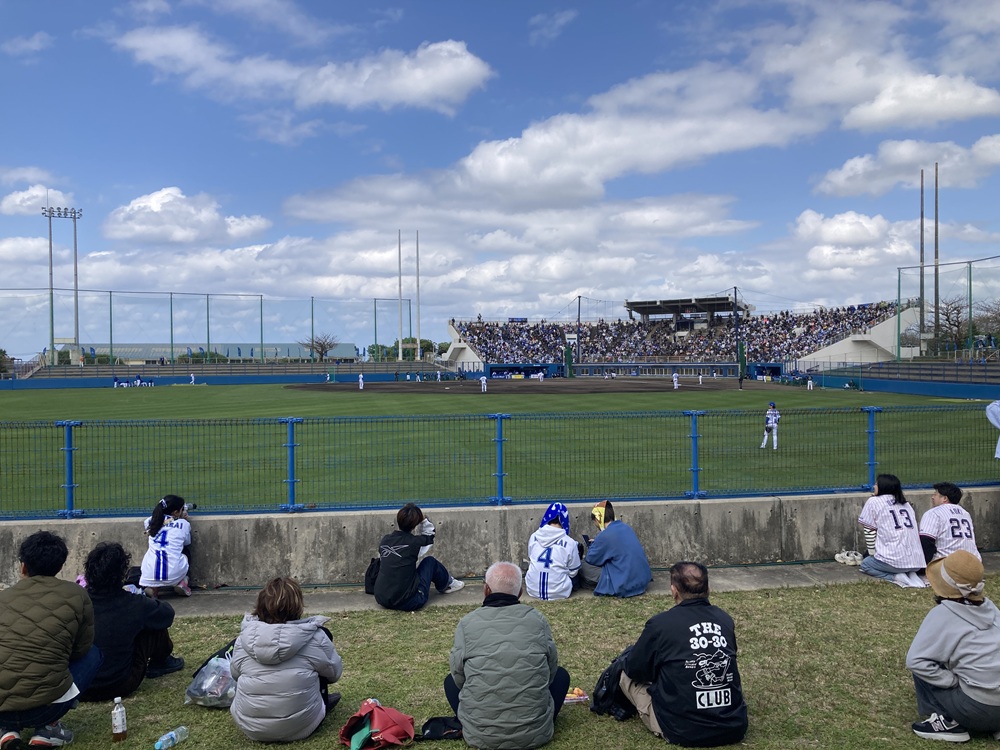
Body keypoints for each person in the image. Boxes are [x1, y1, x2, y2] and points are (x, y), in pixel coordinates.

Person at [620, 561, 748, 747]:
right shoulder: (724, 619)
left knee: (624, 673)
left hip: (682, 730)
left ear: (674, 591)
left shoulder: (660, 624)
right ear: (709, 589)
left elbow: (634, 670)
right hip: (733, 727)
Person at [446, 562, 570, 750]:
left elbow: (458, 676)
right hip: (537, 734)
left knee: (449, 682)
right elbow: (550, 671)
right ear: (520, 592)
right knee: (561, 676)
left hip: (480, 736)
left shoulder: (467, 623)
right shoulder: (537, 619)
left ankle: (480, 725)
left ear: (486, 590)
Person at [0, 531, 101, 750]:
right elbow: (82, 649)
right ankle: (47, 728)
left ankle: (6, 730)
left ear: (23, 567)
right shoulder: (77, 594)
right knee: (93, 654)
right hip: (47, 706)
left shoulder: (4, 598)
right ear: (59, 565)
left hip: (3, 706)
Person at [230, 577, 343, 742]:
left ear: (260, 605)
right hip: (303, 726)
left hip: (250, 727)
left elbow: (235, 674)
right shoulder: (315, 637)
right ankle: (316, 704)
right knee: (321, 666)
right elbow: (334, 673)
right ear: (297, 606)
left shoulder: (243, 639)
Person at [906, 550, 1000, 742]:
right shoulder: (992, 609)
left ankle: (948, 722)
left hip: (975, 710)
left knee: (924, 662)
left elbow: (916, 661)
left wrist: (952, 681)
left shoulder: (942, 614)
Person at [79, 542, 184, 702]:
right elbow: (166, 614)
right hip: (121, 684)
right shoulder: (134, 603)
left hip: (80, 685)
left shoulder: (76, 603)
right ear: (122, 574)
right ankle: (161, 661)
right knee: (153, 619)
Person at [373, 503, 464, 611]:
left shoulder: (385, 540)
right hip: (409, 602)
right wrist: (423, 520)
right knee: (430, 562)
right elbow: (430, 536)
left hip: (382, 598)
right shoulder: (414, 543)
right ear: (415, 524)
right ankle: (448, 584)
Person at [858, 474, 926, 587]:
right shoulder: (906, 504)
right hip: (917, 562)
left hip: (894, 562)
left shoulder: (873, 501)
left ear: (883, 487)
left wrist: (872, 555)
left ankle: (896, 577)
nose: (874, 486)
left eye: (876, 484)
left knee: (866, 564)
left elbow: (869, 530)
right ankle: (911, 573)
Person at [580, 500, 652, 597]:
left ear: (597, 519)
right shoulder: (626, 527)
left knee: (581, 565)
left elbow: (591, 559)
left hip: (625, 584)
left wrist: (595, 544)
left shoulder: (605, 535)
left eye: (594, 522)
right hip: (642, 580)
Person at [139, 494, 193, 597]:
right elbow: (187, 542)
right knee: (185, 551)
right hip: (174, 574)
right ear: (176, 512)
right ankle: (182, 582)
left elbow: (157, 520)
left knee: (153, 552)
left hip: (149, 575)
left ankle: (153, 589)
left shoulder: (150, 521)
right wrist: (183, 519)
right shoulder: (184, 524)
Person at [526, 502, 581, 601]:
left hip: (532, 590)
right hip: (560, 592)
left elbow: (531, 558)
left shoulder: (534, 536)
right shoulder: (570, 542)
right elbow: (573, 572)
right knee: (577, 573)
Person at [918, 482, 980, 564]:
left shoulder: (933, 513)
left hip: (948, 566)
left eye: (935, 494)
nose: (932, 497)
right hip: (974, 566)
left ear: (945, 498)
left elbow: (926, 541)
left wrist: (922, 568)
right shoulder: (965, 513)